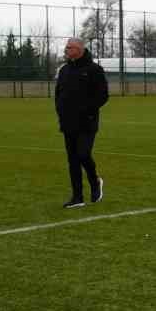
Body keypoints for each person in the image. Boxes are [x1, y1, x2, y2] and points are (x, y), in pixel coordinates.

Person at [55, 37, 109, 208]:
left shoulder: (94, 70)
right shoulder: (64, 70)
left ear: (79, 49)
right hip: (68, 122)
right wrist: (61, 111)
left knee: (83, 154)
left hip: (87, 122)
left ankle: (95, 182)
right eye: (66, 47)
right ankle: (77, 197)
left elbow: (102, 95)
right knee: (72, 160)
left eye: (69, 47)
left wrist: (87, 110)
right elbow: (59, 94)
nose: (67, 50)